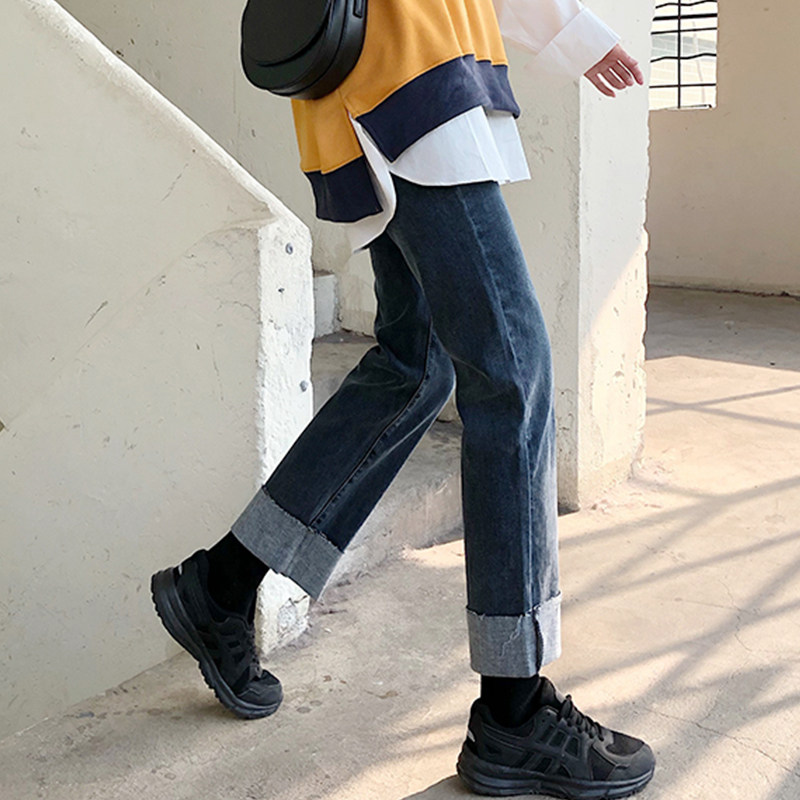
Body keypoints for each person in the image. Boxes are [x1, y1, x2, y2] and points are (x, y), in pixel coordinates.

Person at [151, 1, 655, 797]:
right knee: (511, 375)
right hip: (409, 83)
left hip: (375, 89)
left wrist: (570, 33)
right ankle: (514, 711)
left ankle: (224, 583)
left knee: (415, 366)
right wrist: (571, 30)